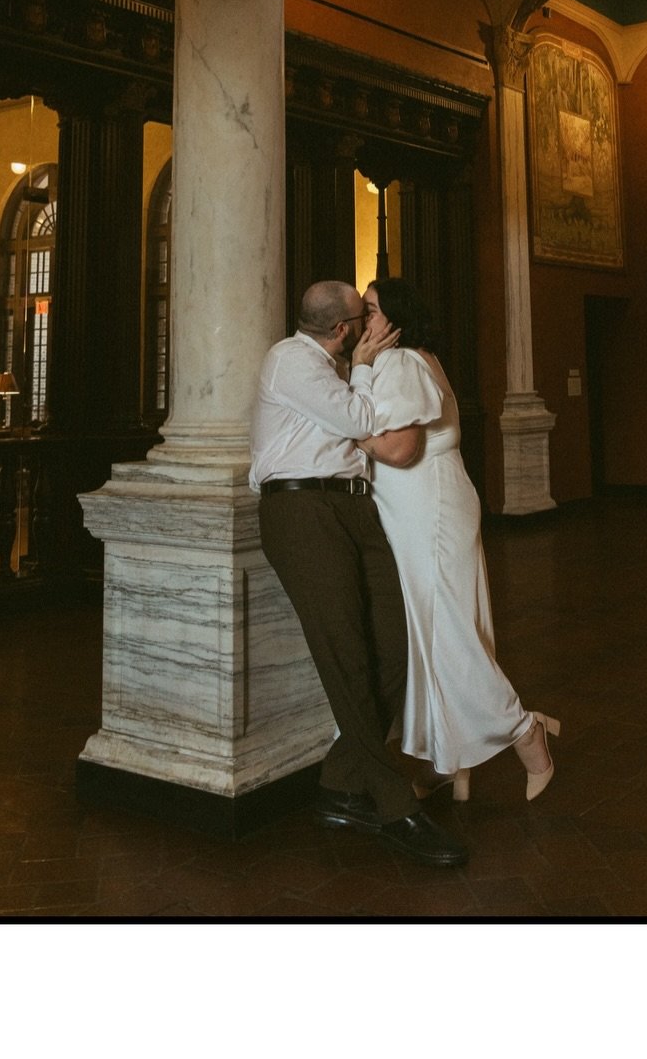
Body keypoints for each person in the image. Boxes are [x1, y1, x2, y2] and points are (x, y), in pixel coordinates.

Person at [249, 279, 468, 867]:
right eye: (364, 317)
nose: (373, 327)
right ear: (343, 330)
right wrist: (366, 368)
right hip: (301, 511)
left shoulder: (334, 364)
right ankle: (397, 807)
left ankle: (340, 786)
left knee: (396, 647)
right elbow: (361, 418)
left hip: (354, 507)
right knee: (345, 654)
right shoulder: (289, 360)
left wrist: (363, 369)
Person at [357, 277, 560, 802]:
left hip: (428, 509)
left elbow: (401, 450)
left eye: (373, 311)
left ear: (397, 320)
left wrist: (347, 429)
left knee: (446, 632)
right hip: (429, 504)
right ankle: (445, 762)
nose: (365, 323)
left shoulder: (400, 362)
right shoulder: (423, 357)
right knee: (429, 632)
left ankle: (524, 731)